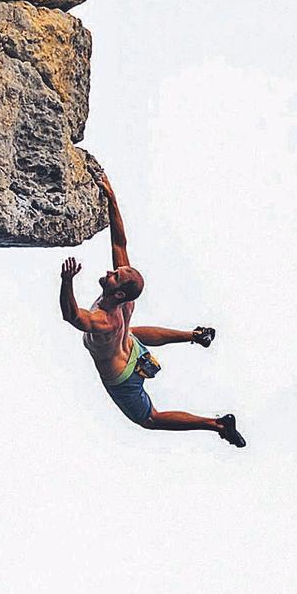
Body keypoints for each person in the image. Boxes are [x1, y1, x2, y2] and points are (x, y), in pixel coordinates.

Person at [60, 169, 245, 447]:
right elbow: (119, 242)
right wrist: (111, 197)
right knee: (130, 332)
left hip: (123, 377)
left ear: (119, 292)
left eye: (115, 276)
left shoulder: (104, 320)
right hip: (133, 349)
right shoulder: (126, 302)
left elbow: (72, 315)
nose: (110, 272)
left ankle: (216, 425)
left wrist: (67, 282)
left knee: (149, 419)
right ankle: (195, 335)